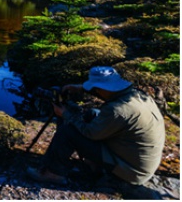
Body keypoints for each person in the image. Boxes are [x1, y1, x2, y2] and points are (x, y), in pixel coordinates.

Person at [27, 66, 166, 186]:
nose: (95, 91)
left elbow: (89, 132)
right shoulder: (137, 95)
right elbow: (106, 94)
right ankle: (93, 164)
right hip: (137, 161)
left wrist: (65, 115)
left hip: (131, 171)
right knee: (93, 113)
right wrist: (80, 88)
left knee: (67, 131)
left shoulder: (117, 110)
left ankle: (53, 173)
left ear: (102, 88)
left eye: (95, 89)